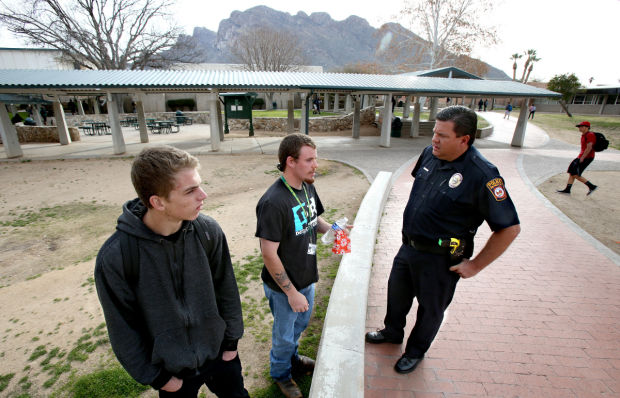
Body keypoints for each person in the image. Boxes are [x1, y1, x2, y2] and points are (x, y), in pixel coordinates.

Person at [365, 106, 520, 375]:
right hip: (408, 247)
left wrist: (476, 265)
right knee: (397, 295)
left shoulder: (483, 175)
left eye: (443, 135)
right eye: (435, 132)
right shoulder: (429, 153)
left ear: (464, 139)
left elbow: (509, 228)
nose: (434, 139)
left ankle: (415, 351)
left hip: (440, 259)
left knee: (430, 309)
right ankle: (392, 332)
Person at [95, 146, 249, 398]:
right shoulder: (117, 257)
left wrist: (231, 343)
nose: (204, 195)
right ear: (157, 202)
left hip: (221, 356)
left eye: (199, 185)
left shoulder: (207, 231)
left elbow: (226, 289)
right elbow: (122, 328)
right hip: (172, 374)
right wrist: (158, 377)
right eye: (190, 190)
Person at [256, 133, 346, 398]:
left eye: (315, 159)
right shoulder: (273, 202)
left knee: (299, 325)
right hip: (285, 287)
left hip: (307, 276)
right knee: (284, 335)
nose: (315, 165)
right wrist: (291, 292)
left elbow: (313, 221)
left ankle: (292, 359)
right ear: (290, 161)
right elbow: (268, 253)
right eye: (309, 160)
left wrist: (335, 230)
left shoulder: (307, 185)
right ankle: (281, 374)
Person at [557, 121, 598, 195]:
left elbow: (589, 147)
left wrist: (582, 158)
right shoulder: (584, 135)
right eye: (579, 127)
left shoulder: (590, 135)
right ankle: (567, 189)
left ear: (587, 127)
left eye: (582, 126)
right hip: (581, 156)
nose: (580, 128)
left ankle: (592, 186)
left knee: (575, 174)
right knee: (571, 171)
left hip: (587, 157)